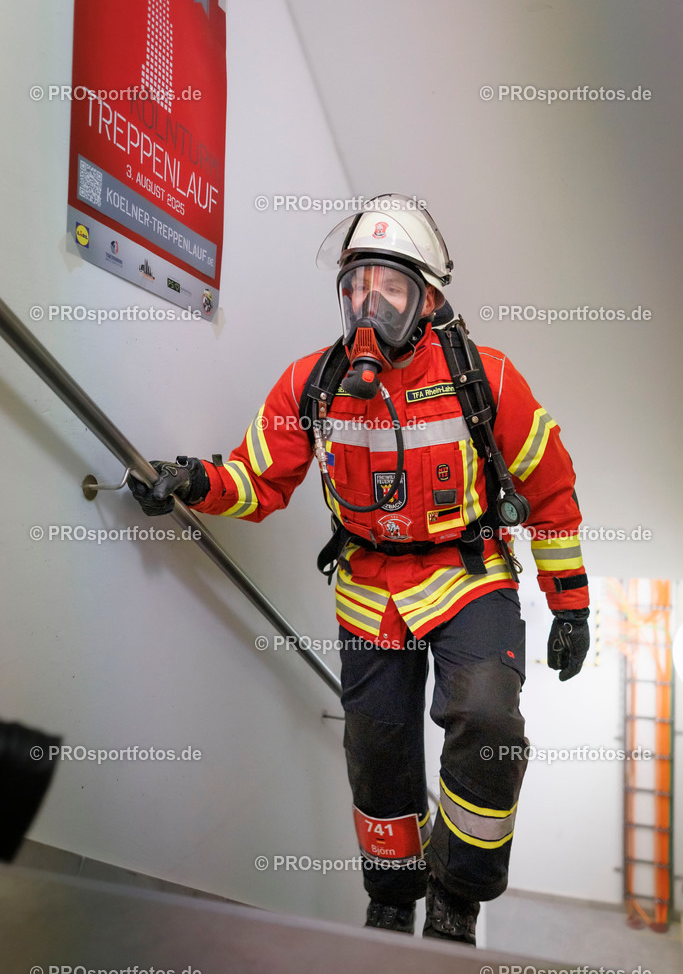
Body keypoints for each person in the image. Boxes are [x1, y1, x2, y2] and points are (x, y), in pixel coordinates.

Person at [128, 195, 590, 947]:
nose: (368, 305)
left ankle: (455, 905)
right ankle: (389, 900)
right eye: (355, 287)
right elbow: (258, 479)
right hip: (369, 590)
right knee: (376, 752)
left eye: (391, 289)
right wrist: (192, 480)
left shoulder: (485, 379)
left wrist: (569, 607)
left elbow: (549, 492)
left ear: (428, 298)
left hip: (468, 576)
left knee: (488, 719)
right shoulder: (310, 384)